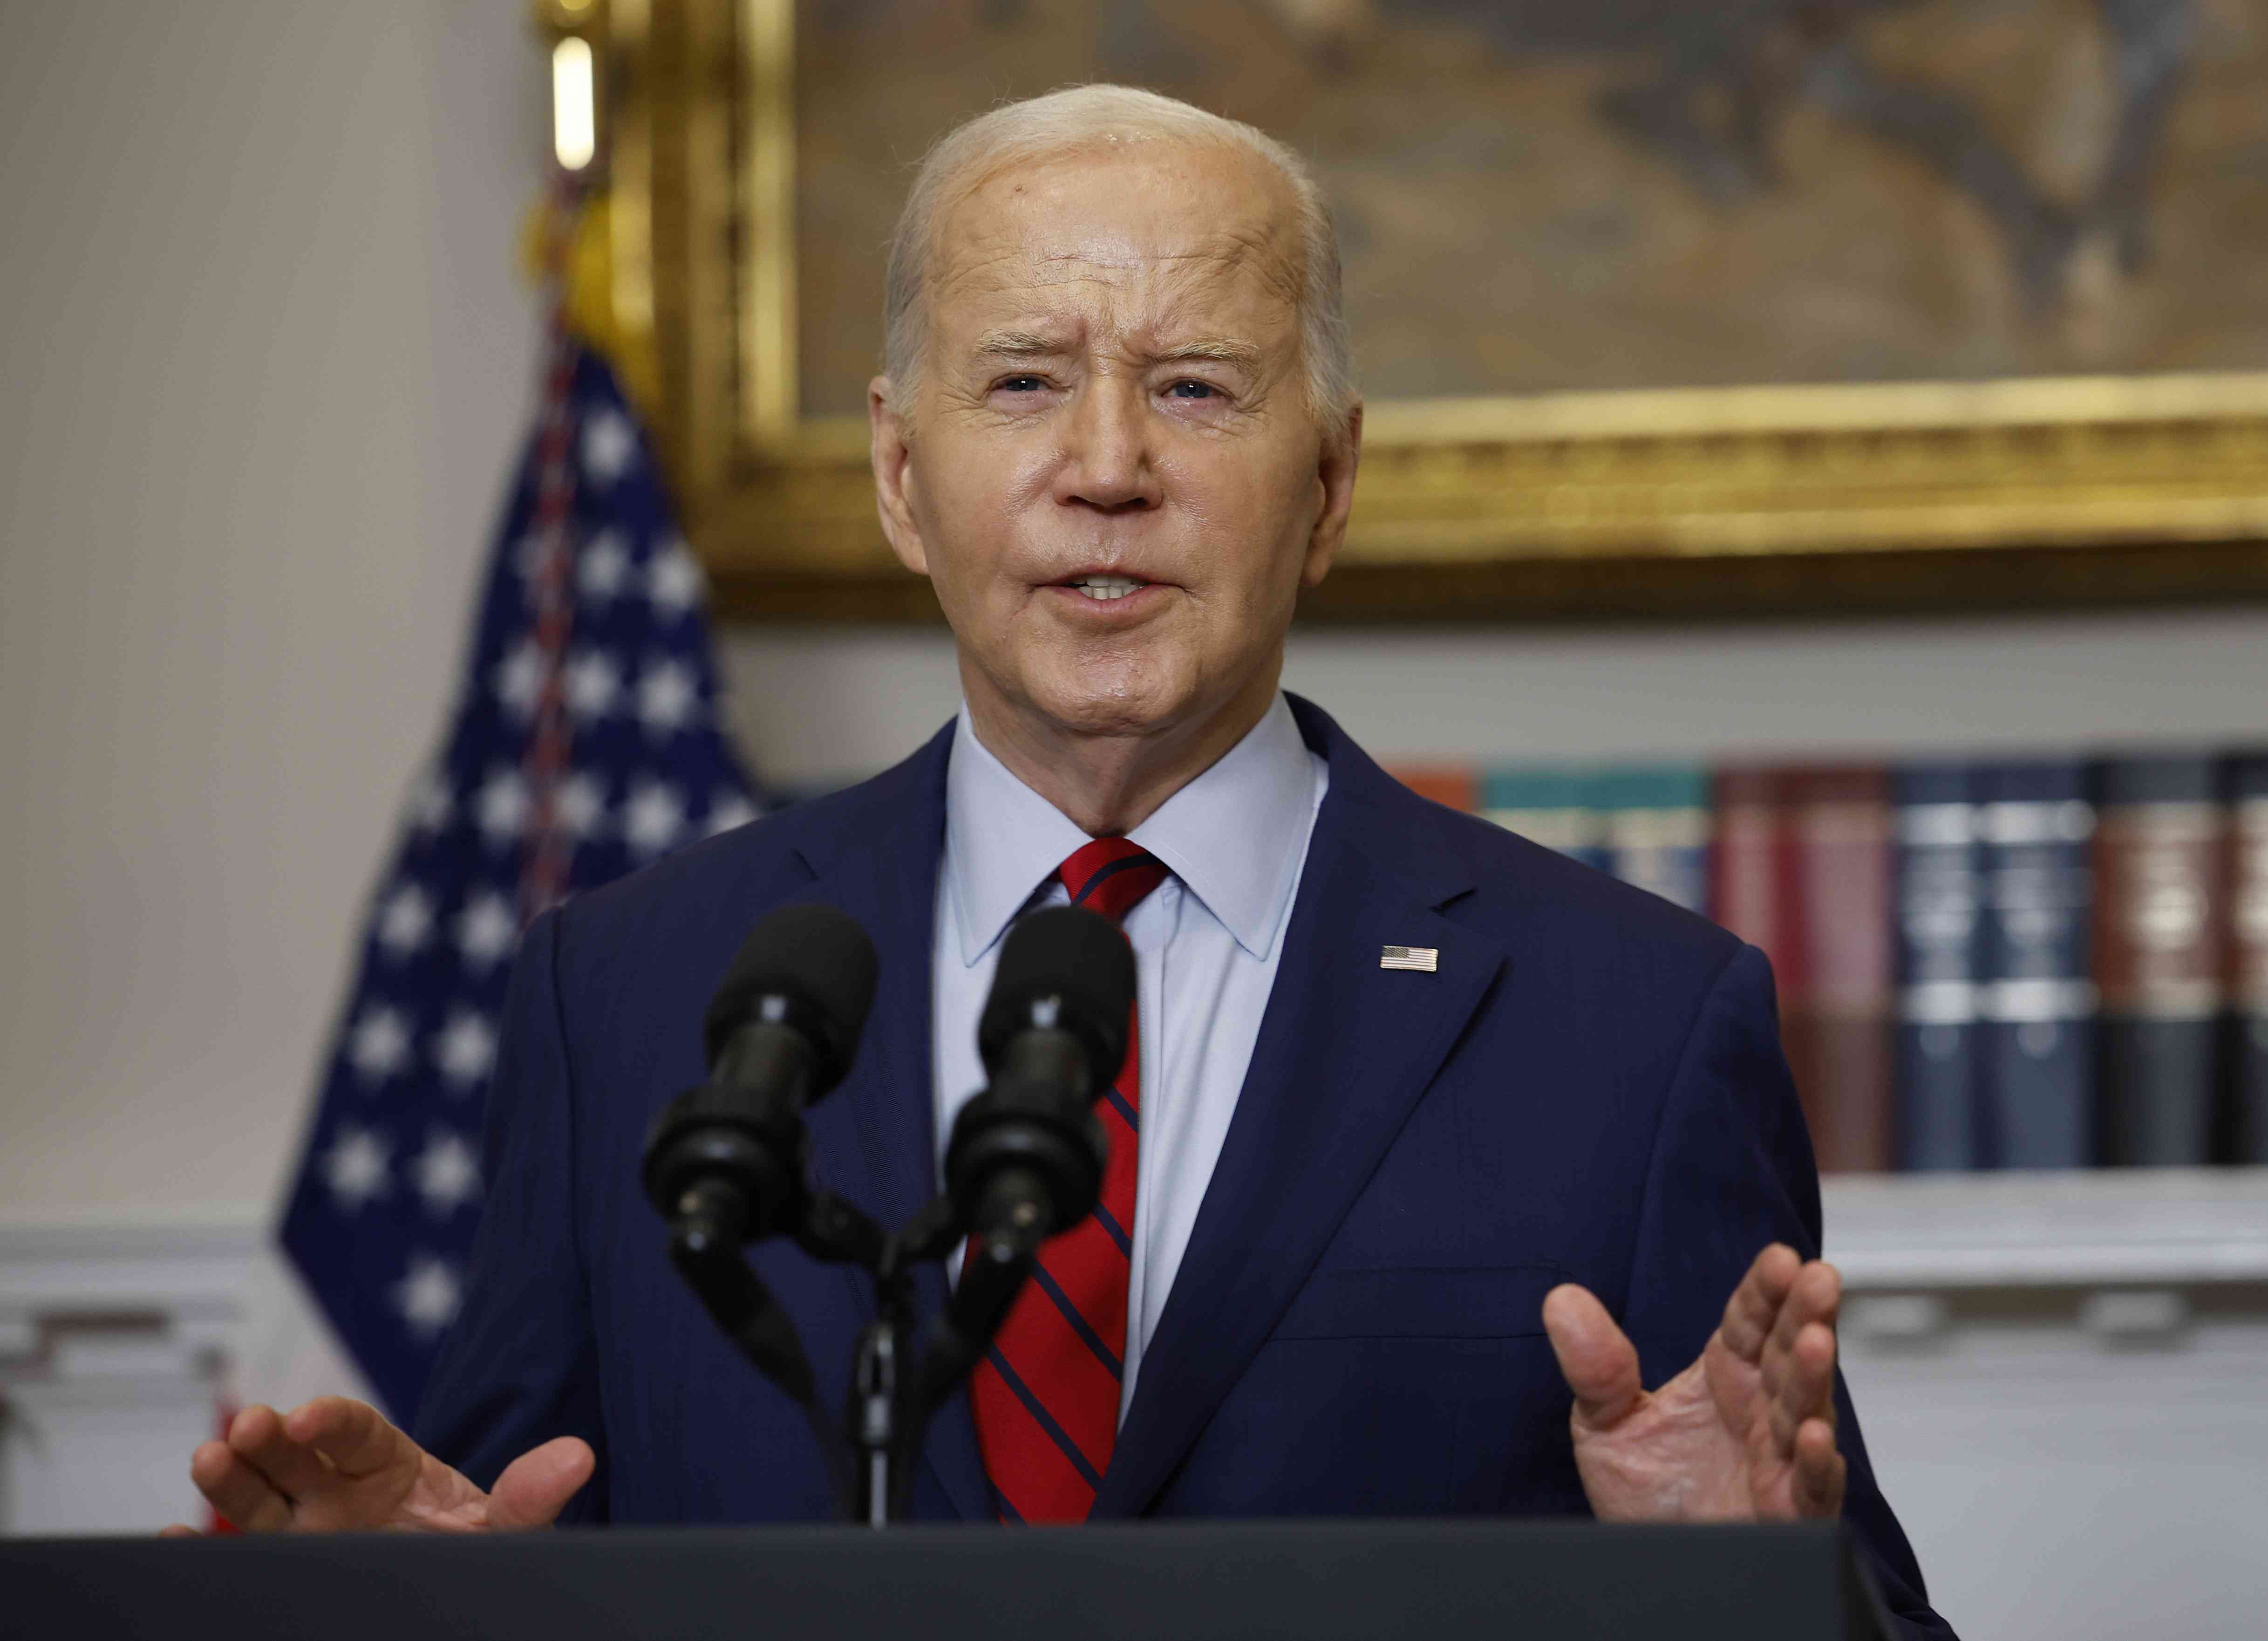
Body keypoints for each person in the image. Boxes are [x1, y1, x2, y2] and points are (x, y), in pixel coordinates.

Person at [180, 85, 1949, 1636]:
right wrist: (407, 1615)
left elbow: (1859, 1605)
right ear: (898, 473)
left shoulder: (1630, 1022)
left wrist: (1759, 1602)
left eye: (1195, 386)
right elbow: (520, 1538)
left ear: (1329, 484)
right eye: (1024, 383)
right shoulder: (631, 988)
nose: (1108, 468)